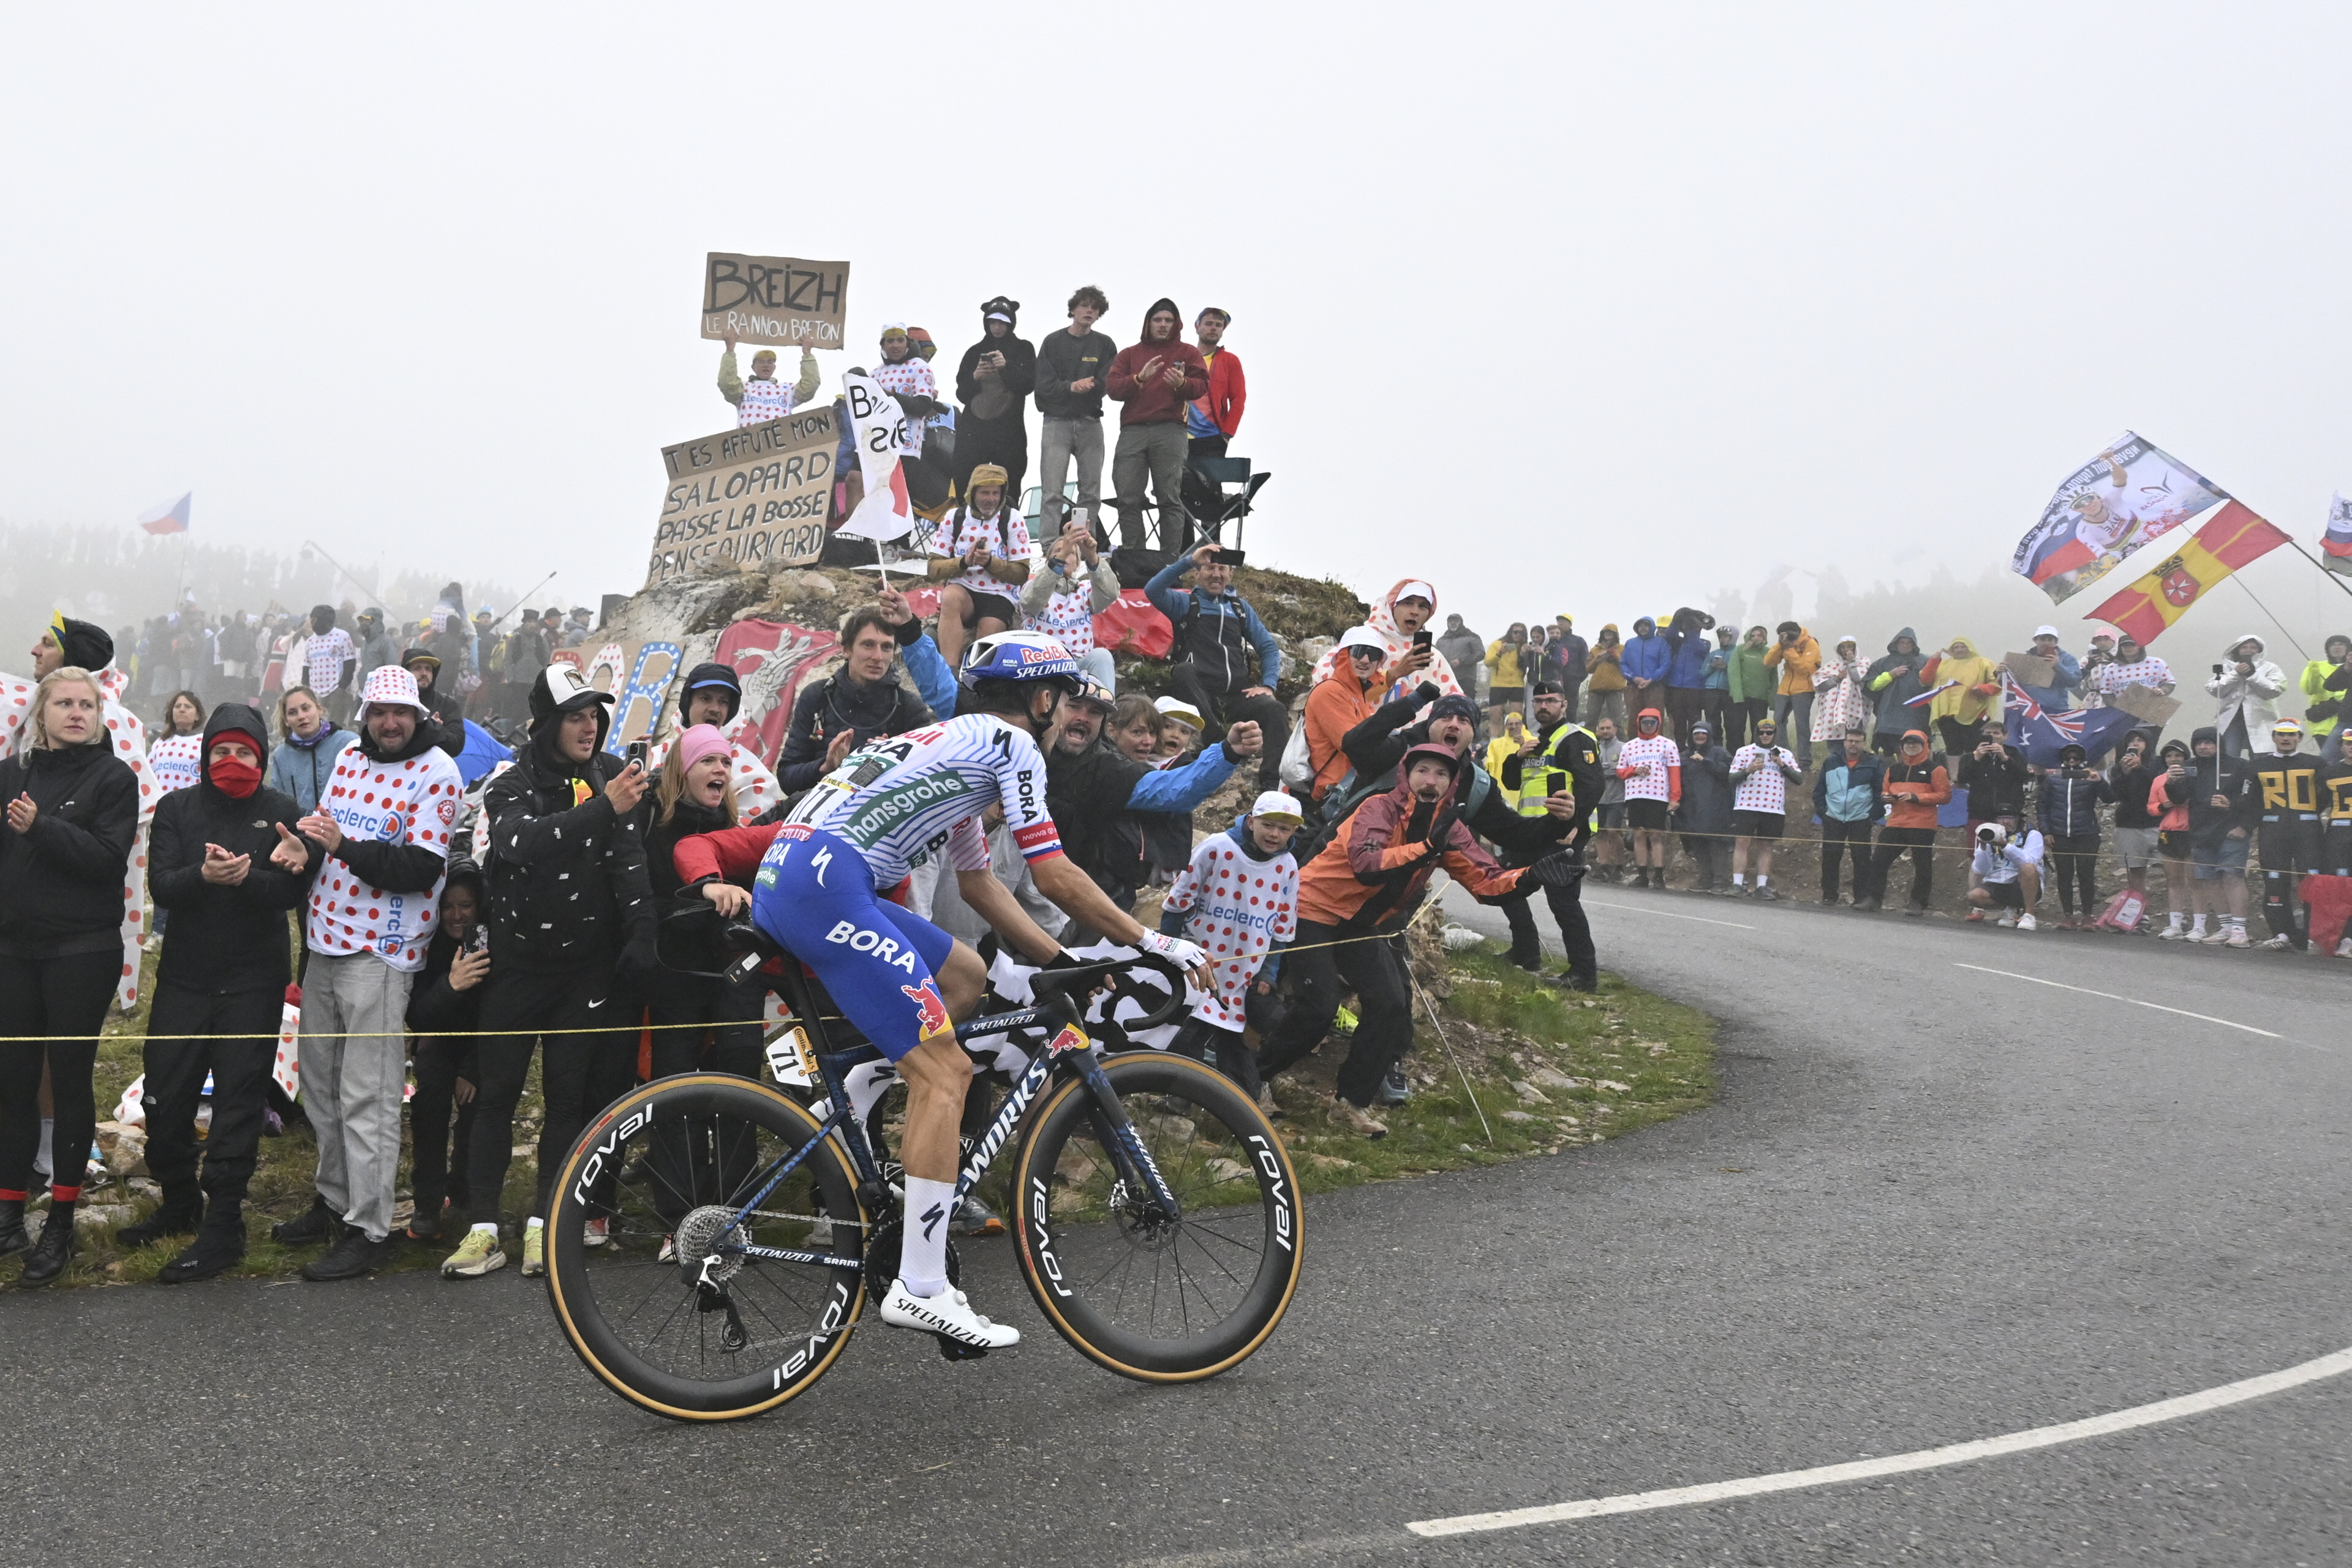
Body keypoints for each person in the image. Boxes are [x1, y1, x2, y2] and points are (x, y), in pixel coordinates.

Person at [682, 630, 1210, 1349]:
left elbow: (980, 884)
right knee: (948, 1070)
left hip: (808, 874)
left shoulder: (956, 747)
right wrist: (1151, 941)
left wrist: (1060, 958)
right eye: (1063, 704)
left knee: (963, 975)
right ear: (1044, 697)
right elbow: (1051, 872)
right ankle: (922, 1285)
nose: (1062, 720)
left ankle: (867, 1080)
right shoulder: (1012, 746)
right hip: (828, 885)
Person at [441, 663, 655, 1282]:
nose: (588, 728)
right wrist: (602, 810)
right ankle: (484, 1227)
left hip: (583, 971)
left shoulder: (612, 776)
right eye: (575, 716)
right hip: (516, 966)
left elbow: (628, 860)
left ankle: (545, 1223)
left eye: (595, 715)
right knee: (496, 1094)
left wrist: (643, 933)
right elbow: (519, 843)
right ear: (546, 723)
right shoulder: (508, 782)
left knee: (568, 1097)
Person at [266, 665, 464, 1281]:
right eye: (379, 711)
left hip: (382, 953)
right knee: (319, 1084)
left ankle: (370, 1226)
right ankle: (334, 1200)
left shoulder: (439, 773)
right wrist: (304, 847)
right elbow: (323, 833)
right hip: (323, 942)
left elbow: (419, 867)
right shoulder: (351, 755)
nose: (389, 722)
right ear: (365, 715)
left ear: (419, 713)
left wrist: (342, 845)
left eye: (400, 712)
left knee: (368, 1095)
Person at [1262, 745, 1556, 1137]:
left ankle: (1350, 1103)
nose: (1430, 780)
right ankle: (1253, 1078)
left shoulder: (1449, 827)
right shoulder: (1377, 808)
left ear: (1452, 785)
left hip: (1360, 923)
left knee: (1390, 1005)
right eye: (1423, 770)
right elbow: (1367, 864)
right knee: (1319, 1007)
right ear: (1406, 774)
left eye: (1441, 775)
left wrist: (1534, 876)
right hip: (1312, 909)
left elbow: (1485, 881)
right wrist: (1427, 848)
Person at [118, 701, 308, 1282]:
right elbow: (163, 885)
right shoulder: (178, 807)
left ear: (261, 756)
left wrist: (250, 877)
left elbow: (291, 892)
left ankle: (225, 1224)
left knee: (237, 1102)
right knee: (166, 1097)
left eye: (244, 752)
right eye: (221, 751)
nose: (232, 761)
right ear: (206, 756)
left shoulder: (280, 810)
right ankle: (180, 1202)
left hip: (253, 981)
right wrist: (203, 877)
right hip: (184, 979)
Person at [0, 667, 140, 1286]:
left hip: (81, 950)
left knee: (73, 1080)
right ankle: (7, 1216)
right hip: (14, 949)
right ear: (41, 713)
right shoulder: (12, 772)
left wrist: (43, 828)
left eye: (87, 703)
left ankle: (59, 1219)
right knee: (13, 1083)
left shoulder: (112, 777)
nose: (76, 712)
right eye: (64, 702)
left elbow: (108, 860)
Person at [1046, 679, 1257, 921]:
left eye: (1094, 711)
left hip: (1094, 897)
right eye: (1075, 706)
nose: (1084, 717)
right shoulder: (1023, 746)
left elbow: (1173, 791)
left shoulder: (1109, 769)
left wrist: (1228, 752)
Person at [1159, 790, 1297, 1117]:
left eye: (1284, 829)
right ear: (1251, 821)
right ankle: (1182, 1098)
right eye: (1268, 825)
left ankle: (1241, 1109)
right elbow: (1178, 901)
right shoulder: (1217, 848)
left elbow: (1281, 927)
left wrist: (1268, 973)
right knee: (1191, 1031)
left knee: (1230, 1037)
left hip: (1241, 973)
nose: (1275, 834)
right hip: (1199, 962)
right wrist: (1168, 950)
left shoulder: (1287, 867)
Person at [772, 590, 954, 797]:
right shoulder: (817, 696)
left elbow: (926, 784)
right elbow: (786, 778)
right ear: (847, 650)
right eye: (868, 645)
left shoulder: (910, 707)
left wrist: (889, 764)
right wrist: (826, 766)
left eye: (886, 647)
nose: (877, 657)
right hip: (817, 813)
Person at [1145, 543, 1290, 791]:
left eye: (1222, 569)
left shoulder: (1240, 609)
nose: (1216, 574)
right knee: (1183, 670)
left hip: (1235, 696)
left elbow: (1267, 647)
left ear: (1231, 574)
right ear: (1197, 574)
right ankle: (1217, 741)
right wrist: (1190, 559)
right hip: (1197, 695)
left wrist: (1268, 684)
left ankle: (1271, 781)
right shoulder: (1186, 603)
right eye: (1209, 568)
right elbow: (1153, 590)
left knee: (1274, 709)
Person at [1493, 684, 1604, 982]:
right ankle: (1526, 952)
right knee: (1502, 883)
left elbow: (1592, 785)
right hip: (1531, 832)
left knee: (1563, 903)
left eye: (1551, 701)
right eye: (1539, 701)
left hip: (1562, 834)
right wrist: (1517, 757)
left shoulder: (1575, 738)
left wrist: (1575, 826)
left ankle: (1583, 974)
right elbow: (1513, 783)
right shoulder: (1535, 741)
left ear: (1564, 705)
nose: (1544, 705)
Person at [401, 862, 487, 1245]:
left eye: (466, 905)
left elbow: (497, 1013)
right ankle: (427, 1203)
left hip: (483, 1043)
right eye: (448, 906)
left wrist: (472, 1068)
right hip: (437, 1036)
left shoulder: (490, 941)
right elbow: (418, 1016)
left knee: (478, 1108)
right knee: (429, 1107)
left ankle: (466, 1192)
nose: (456, 915)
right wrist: (450, 986)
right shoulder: (425, 941)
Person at [1106, 298, 1210, 551]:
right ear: (1148, 323)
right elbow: (1112, 388)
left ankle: (1169, 562)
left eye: (1168, 320)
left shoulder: (1188, 352)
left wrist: (1182, 385)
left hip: (1170, 430)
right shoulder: (1130, 354)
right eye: (1158, 320)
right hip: (1133, 431)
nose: (1163, 325)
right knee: (1128, 497)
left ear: (1177, 324)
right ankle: (1134, 556)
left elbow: (1202, 385)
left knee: (1168, 498)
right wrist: (1139, 378)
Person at [925, 462, 1033, 669]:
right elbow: (933, 568)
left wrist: (991, 563)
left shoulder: (1012, 518)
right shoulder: (954, 518)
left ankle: (975, 680)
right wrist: (964, 562)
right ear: (972, 493)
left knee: (984, 649)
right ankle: (950, 672)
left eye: (995, 493)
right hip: (964, 591)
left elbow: (1021, 574)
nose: (990, 499)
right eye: (984, 493)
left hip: (999, 594)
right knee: (949, 596)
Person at [2156, 726, 2254, 947]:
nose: (2203, 747)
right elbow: (2180, 798)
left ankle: (2240, 930)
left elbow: (2253, 798)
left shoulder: (2239, 765)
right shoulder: (2189, 767)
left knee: (2231, 877)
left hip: (2231, 831)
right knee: (2209, 880)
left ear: (2219, 744)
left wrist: (2237, 813)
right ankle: (2225, 926)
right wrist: (2171, 783)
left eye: (2209, 742)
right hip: (2201, 832)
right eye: (2199, 743)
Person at [1033, 285, 1117, 535]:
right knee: (1052, 491)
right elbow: (1042, 385)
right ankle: (1049, 545)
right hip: (1056, 422)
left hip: (1090, 422)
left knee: (1090, 491)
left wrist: (1091, 387)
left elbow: (1108, 381)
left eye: (1095, 307)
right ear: (1073, 310)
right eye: (1084, 305)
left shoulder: (1104, 344)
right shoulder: (1053, 341)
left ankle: (1082, 544)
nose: (1089, 311)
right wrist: (1071, 386)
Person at [1020, 514, 1121, 692]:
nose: (1065, 554)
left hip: (1078, 666)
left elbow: (1111, 594)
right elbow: (1031, 602)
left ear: (1077, 564)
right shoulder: (1033, 585)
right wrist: (1063, 554)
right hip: (1042, 662)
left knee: (1102, 656)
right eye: (1057, 551)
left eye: (1071, 553)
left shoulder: (1085, 589)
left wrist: (1093, 558)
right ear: (1048, 561)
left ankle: (1105, 715)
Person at [2248, 718, 2323, 951]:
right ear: (2273, 737)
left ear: (2300, 738)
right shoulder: (2257, 765)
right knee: (2274, 882)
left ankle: (2313, 935)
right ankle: (2281, 933)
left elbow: (2327, 795)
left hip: (2308, 831)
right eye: (2281, 734)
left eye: (2292, 735)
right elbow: (2251, 800)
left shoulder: (2317, 763)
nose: (2286, 739)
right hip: (2273, 830)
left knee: (2312, 883)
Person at [952, 296, 1036, 500]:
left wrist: (1005, 367)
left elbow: (1027, 386)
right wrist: (976, 377)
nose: (997, 327)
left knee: (1010, 486)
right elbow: (961, 393)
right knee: (966, 483)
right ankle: (966, 528)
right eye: (993, 322)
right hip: (974, 430)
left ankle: (1008, 529)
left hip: (1009, 431)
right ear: (987, 323)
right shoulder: (974, 352)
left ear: (1011, 323)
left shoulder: (1024, 348)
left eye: (1003, 322)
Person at [1859, 729, 1950, 915]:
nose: (1910, 746)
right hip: (1896, 822)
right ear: (1901, 747)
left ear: (1925, 746)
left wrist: (1916, 797)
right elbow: (1885, 789)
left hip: (1922, 824)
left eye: (1915, 743)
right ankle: (1873, 899)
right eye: (1907, 743)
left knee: (1922, 865)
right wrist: (1887, 797)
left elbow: (1945, 796)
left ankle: (1918, 903)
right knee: (1878, 861)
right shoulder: (1893, 769)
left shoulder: (1936, 769)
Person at [1303, 627, 1390, 804]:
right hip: (1335, 795)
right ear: (1344, 655)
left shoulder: (1359, 697)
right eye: (1358, 651)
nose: (1365, 660)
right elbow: (1356, 746)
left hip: (1353, 790)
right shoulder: (1330, 691)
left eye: (1373, 654)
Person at [872, 323, 950, 514]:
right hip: (877, 446)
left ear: (908, 343)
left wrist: (891, 397)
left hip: (906, 447)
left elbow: (922, 406)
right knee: (868, 489)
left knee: (900, 498)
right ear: (882, 345)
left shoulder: (920, 367)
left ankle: (900, 541)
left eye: (900, 340)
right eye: (890, 341)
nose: (896, 345)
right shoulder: (875, 374)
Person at [2037, 742, 2113, 929]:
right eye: (2068, 758)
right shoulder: (2053, 780)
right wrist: (2046, 832)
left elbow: (2109, 798)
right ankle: (2067, 915)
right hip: (2060, 834)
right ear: (2063, 760)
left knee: (2086, 874)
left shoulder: (2090, 778)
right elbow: (2042, 807)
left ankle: (2088, 916)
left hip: (2087, 834)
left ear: (2082, 760)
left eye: (2076, 758)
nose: (2072, 761)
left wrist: (2099, 781)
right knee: (2064, 875)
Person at [1727, 715, 1803, 899]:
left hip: (1773, 807)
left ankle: (1762, 886)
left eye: (1769, 733)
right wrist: (1748, 770)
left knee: (1766, 846)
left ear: (1775, 734)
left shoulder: (1784, 754)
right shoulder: (1744, 752)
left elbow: (1799, 780)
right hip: (1747, 805)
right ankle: (1737, 884)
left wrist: (1782, 765)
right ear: (1756, 733)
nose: (1765, 736)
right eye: (1762, 733)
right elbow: (1731, 779)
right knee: (1742, 843)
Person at [1813, 723, 1886, 905]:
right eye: (1850, 741)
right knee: (1830, 856)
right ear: (1844, 742)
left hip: (1861, 818)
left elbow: (1881, 792)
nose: (1853, 744)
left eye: (1858, 741)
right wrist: (1824, 812)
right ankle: (1829, 895)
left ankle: (1861, 897)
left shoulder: (1874, 763)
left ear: (1864, 743)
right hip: (1834, 817)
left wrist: (1872, 815)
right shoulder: (1831, 762)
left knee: (1861, 858)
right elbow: (1819, 790)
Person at [266, 685, 357, 817]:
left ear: (319, 709)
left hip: (344, 829)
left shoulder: (349, 744)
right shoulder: (281, 755)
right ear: (286, 721)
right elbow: (278, 803)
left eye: (306, 708)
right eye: (292, 712)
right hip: (302, 833)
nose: (301, 716)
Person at [1615, 708, 1681, 888]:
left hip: (1658, 796)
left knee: (1656, 836)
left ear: (1658, 724)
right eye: (1646, 723)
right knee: (1639, 835)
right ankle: (1642, 874)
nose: (1649, 726)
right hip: (1635, 795)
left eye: (1653, 723)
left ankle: (1659, 875)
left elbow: (1674, 772)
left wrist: (1675, 798)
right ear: (1639, 724)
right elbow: (1620, 772)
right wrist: (1634, 770)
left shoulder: (1668, 745)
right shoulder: (1629, 746)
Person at [2106, 729, 2164, 929]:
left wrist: (2140, 769)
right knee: (2136, 872)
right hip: (2129, 824)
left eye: (2141, 740)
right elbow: (2115, 795)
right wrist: (2125, 773)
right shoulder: (2119, 767)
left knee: (2172, 871)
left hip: (2157, 823)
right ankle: (2140, 914)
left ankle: (2175, 917)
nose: (2137, 744)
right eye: (2132, 741)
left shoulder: (2157, 763)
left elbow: (2159, 786)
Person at [2149, 737, 2199, 941]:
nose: (2173, 759)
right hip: (2169, 832)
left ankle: (2199, 925)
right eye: (2169, 756)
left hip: (2191, 831)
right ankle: (2175, 924)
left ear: (2186, 757)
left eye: (2178, 755)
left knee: (2196, 881)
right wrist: (2163, 807)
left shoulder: (2195, 775)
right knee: (2173, 880)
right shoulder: (2160, 779)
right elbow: (2151, 806)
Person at [1676, 720, 1735, 893]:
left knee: (1717, 844)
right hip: (1691, 808)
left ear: (1709, 735)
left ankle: (1721, 881)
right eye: (1696, 734)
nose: (1700, 737)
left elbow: (1728, 774)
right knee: (1697, 843)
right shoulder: (1683, 756)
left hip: (1716, 807)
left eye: (1703, 733)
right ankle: (1705, 879)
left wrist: (1706, 761)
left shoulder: (1720, 752)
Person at [1919, 636, 1999, 761]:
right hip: (1947, 714)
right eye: (1956, 647)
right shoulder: (1943, 664)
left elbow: (1997, 684)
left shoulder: (1984, 663)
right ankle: (1955, 778)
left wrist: (1982, 689)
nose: (1959, 650)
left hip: (1976, 713)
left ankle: (1974, 777)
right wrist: (1933, 661)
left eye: (1963, 647)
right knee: (1952, 748)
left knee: (1975, 747)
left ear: (1970, 648)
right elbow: (1925, 680)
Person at [2207, 634, 2288, 758]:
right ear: (2237, 649)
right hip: (2231, 720)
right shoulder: (2227, 668)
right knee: (2229, 757)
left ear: (2260, 650)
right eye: (2244, 647)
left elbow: (2276, 690)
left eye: (2253, 647)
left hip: (2261, 720)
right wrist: (2236, 674)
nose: (2248, 650)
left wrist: (2252, 676)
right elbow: (2214, 689)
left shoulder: (2270, 668)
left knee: (2261, 758)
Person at [1184, 306, 1247, 464]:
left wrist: (1227, 434)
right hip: (1180, 434)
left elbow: (1238, 399)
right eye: (1209, 323)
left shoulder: (1230, 361)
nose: (1214, 328)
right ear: (1197, 327)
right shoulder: (1184, 358)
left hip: (1212, 435)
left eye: (1219, 325)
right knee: (1175, 484)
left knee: (1209, 486)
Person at [717, 337, 820, 427]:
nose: (766, 365)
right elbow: (727, 384)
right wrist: (730, 350)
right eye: (761, 362)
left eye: (770, 362)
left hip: (781, 446)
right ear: (753, 367)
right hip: (750, 445)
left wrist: (807, 354)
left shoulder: (787, 390)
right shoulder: (744, 388)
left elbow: (810, 387)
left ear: (774, 367)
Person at [2312, 736, 2352, 956]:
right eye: (2348, 743)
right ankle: (2346, 938)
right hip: (2340, 833)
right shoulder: (2330, 773)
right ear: (2342, 747)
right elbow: (2318, 804)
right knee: (2342, 888)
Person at [1763, 622, 1822, 770]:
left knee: (1801, 724)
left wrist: (1790, 650)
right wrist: (1780, 645)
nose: (1786, 637)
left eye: (1787, 634)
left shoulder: (1810, 643)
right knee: (1778, 722)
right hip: (1785, 688)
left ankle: (1805, 761)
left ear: (1796, 632)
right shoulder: (1784, 644)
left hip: (1804, 688)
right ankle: (1784, 756)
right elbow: (1769, 662)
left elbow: (1806, 668)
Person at [1966, 821, 2045, 930]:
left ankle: (2029, 915)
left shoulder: (2031, 834)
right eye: (2002, 818)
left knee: (2028, 868)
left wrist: (2005, 846)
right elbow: (1981, 869)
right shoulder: (1991, 833)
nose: (2006, 822)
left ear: (2017, 818)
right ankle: (2007, 909)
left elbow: (2029, 860)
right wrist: (1983, 848)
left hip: (2022, 883)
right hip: (1998, 882)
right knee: (1974, 896)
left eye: (2010, 818)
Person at [1863, 628, 1930, 756]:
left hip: (1916, 714)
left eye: (1908, 643)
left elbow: (1932, 682)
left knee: (1917, 745)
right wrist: (1890, 675)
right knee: (1890, 747)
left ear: (1914, 645)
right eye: (1902, 643)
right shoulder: (1883, 663)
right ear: (1896, 643)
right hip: (1889, 714)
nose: (1905, 646)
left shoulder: (1924, 662)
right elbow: (1871, 686)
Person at [1811, 635, 1870, 757]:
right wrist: (1836, 679)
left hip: (1854, 710)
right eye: (1843, 647)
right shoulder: (1832, 665)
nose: (1846, 650)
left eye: (1849, 647)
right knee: (1836, 746)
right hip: (1833, 711)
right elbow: (1820, 687)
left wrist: (1851, 663)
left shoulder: (1863, 662)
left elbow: (1859, 678)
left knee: (1854, 740)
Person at [401, 645, 467, 750]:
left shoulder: (447, 705)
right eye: (417, 668)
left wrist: (433, 730)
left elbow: (456, 744)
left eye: (428, 669)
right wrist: (427, 728)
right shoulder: (396, 703)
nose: (424, 673)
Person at [1662, 608, 1714, 741]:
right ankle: (1680, 750)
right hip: (1676, 687)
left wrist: (1691, 629)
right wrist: (1676, 620)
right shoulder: (1677, 642)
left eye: (1695, 626)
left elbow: (1697, 647)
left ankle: (1695, 747)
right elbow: (1669, 635)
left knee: (1694, 721)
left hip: (1695, 688)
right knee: (1678, 721)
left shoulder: (1704, 644)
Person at [2297, 634, 2351, 757]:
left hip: (2347, 721)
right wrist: (2314, 672)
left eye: (2341, 644)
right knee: (2328, 760)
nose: (2337, 647)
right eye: (2333, 645)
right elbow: (2309, 689)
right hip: (2323, 724)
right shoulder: (2317, 666)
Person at [301, 605, 358, 722]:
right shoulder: (310, 641)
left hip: (336, 690)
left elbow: (350, 663)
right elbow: (306, 666)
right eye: (311, 619)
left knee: (334, 725)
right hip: (315, 692)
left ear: (325, 620)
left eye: (314, 620)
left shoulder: (342, 636)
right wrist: (306, 688)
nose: (312, 623)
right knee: (316, 725)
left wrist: (342, 686)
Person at [2015, 624, 2081, 713]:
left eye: (2050, 640)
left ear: (2056, 642)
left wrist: (2058, 666)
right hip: (2031, 710)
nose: (2046, 643)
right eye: (2043, 639)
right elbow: (2012, 683)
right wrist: (1999, 674)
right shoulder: (2026, 660)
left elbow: (2074, 681)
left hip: (2057, 710)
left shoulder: (2068, 659)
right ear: (2035, 640)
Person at [1620, 616, 1672, 729]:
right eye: (1640, 625)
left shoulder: (1661, 643)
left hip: (1655, 687)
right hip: (1634, 687)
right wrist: (1634, 677)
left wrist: (1652, 679)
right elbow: (1623, 664)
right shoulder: (1630, 643)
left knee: (1655, 719)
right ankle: (1634, 746)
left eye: (1646, 625)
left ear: (1652, 627)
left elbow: (1665, 664)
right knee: (1634, 720)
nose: (1643, 628)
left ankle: (1656, 746)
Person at [1725, 623, 1770, 750]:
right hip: (1741, 697)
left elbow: (1773, 676)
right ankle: (1736, 755)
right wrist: (1737, 695)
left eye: (1760, 635)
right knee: (1737, 728)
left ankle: (1756, 753)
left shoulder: (1768, 652)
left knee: (1759, 728)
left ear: (1765, 638)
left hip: (1760, 697)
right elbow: (1733, 672)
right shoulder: (1740, 650)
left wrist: (1771, 698)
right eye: (1753, 635)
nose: (1756, 638)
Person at [1543, 614, 1588, 723]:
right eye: (1559, 622)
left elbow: (1584, 661)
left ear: (1570, 625)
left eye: (1563, 622)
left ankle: (1572, 728)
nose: (1560, 624)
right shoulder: (1549, 641)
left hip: (1572, 678)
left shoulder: (1578, 641)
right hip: (1553, 678)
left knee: (1571, 706)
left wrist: (1579, 677)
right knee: (1552, 704)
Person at [1584, 624, 1627, 734]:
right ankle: (1588, 746)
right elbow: (1588, 669)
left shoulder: (1622, 649)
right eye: (1606, 632)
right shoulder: (1595, 650)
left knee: (1617, 721)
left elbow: (1626, 665)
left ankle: (1621, 746)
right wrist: (1597, 659)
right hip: (1596, 688)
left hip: (1615, 688)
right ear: (1602, 634)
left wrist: (1615, 656)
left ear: (1616, 635)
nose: (1608, 635)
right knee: (1591, 720)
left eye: (1611, 632)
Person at [1484, 622, 1528, 731]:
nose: (1518, 635)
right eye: (1515, 632)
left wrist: (1523, 654)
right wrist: (1499, 653)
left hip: (1517, 684)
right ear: (1510, 632)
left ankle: (1516, 740)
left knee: (1517, 716)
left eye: (1521, 633)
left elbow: (1527, 665)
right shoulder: (1497, 644)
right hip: (1498, 684)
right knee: (1495, 716)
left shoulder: (1525, 647)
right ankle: (1493, 742)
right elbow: (1488, 663)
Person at [1700, 624, 1740, 745]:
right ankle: (1715, 750)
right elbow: (1702, 673)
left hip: (1729, 691)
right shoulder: (1713, 653)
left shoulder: (1738, 653)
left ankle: (1732, 753)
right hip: (1711, 691)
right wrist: (1712, 666)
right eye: (1721, 637)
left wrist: (1726, 668)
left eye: (1726, 636)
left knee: (1731, 724)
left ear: (1733, 637)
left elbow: (1741, 674)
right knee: (1712, 722)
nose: (1723, 639)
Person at [1435, 613, 1484, 703]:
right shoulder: (1441, 640)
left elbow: (1481, 653)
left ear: (1461, 623)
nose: (1453, 623)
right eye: (1450, 621)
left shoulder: (1472, 637)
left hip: (1465, 679)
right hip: (1445, 679)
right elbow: (1435, 656)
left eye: (1456, 621)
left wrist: (1461, 661)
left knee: (1465, 706)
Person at [353, 609, 401, 688]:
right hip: (365, 689)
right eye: (362, 620)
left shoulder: (386, 642)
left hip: (380, 690)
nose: (363, 623)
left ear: (376, 621)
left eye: (368, 620)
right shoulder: (366, 642)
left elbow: (393, 668)